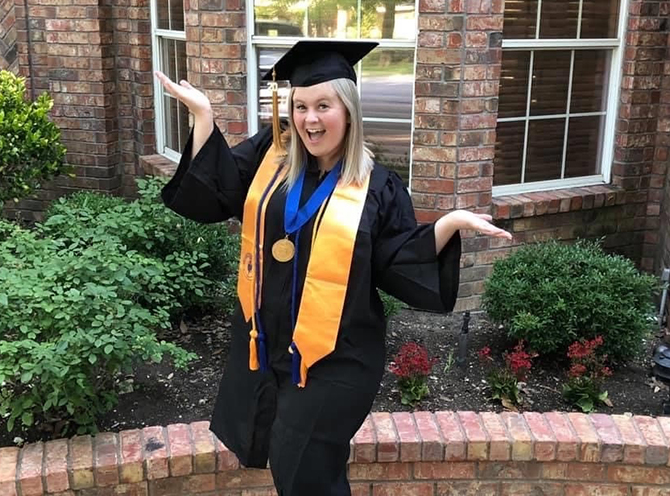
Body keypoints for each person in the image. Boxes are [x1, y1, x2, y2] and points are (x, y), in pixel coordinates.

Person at [155, 40, 512, 495]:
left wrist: (447, 225)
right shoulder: (272, 155)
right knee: (301, 468)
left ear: (348, 109)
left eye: (323, 105)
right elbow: (216, 193)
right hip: (267, 346)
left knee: (299, 461)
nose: (309, 119)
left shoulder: (377, 187)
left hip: (337, 356)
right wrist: (204, 119)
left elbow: (395, 260)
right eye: (300, 106)